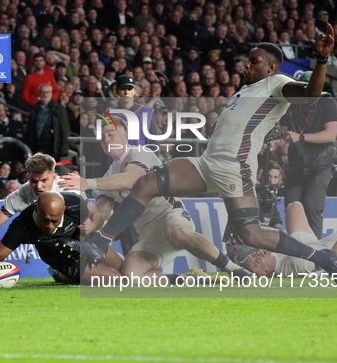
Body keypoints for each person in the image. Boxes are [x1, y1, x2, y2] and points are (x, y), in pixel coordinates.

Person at [83, 30, 337, 282]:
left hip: (233, 168)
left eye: (254, 61)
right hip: (208, 163)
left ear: (271, 67)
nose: (246, 65)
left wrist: (320, 59)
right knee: (145, 184)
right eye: (248, 61)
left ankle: (323, 257)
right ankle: (99, 243)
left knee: (252, 234)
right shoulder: (246, 90)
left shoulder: (278, 83)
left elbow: (312, 92)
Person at [59, 118, 245, 280]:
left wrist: (87, 183)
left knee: (177, 232)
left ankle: (232, 268)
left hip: (170, 215)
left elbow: (128, 180)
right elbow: (102, 211)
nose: (106, 139)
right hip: (148, 234)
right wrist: (92, 224)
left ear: (125, 136)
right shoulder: (109, 174)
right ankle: (187, 279)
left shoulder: (141, 153)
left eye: (111, 134)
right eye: (102, 137)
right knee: (132, 277)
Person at [0, 153, 84, 267]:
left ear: (54, 177)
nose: (39, 186)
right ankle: (58, 271)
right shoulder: (20, 196)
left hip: (74, 234)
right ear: (28, 176)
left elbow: (94, 217)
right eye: (34, 181)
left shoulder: (69, 189)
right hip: (45, 241)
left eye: (44, 180)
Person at [0, 191, 122, 285]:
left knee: (124, 268)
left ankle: (66, 276)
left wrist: (91, 229)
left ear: (64, 211)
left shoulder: (76, 203)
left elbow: (97, 216)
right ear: (36, 209)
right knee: (116, 279)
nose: (49, 226)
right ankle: (62, 272)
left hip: (82, 242)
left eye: (54, 221)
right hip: (56, 254)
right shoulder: (22, 226)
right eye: (44, 220)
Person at [280, 71, 337, 238]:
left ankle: (315, 256)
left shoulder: (327, 102)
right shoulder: (291, 104)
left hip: (320, 162)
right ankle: (297, 251)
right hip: (297, 160)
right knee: (292, 205)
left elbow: (331, 134)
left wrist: (301, 137)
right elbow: (284, 131)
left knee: (313, 206)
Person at [242, 202, 337, 279]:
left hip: (304, 245)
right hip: (328, 250)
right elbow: (335, 257)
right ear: (265, 272)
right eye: (257, 261)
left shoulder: (268, 259)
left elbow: (258, 244)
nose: (257, 254)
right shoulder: (297, 266)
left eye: (253, 254)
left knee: (294, 206)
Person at [25, 84, 70, 161]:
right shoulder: (34, 108)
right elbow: (29, 129)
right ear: (39, 93)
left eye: (47, 92)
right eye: (42, 92)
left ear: (51, 93)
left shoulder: (59, 109)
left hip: (53, 147)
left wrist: (64, 150)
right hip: (36, 147)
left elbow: (65, 129)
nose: (45, 94)